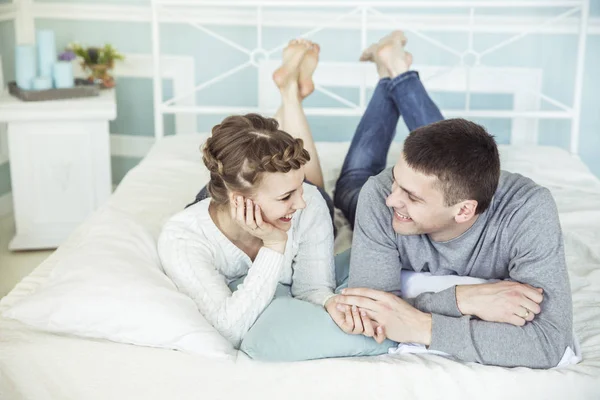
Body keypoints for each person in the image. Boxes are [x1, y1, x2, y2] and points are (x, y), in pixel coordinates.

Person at [332, 31, 574, 368]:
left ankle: (393, 68)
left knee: (446, 167)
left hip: (460, 191)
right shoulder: (381, 193)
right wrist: (463, 299)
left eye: (411, 196)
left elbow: (548, 342)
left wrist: (421, 324)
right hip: (365, 193)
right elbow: (374, 311)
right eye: (397, 183)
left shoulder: (529, 212)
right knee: (350, 190)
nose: (392, 200)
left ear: (464, 211)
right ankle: (395, 69)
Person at [158, 39, 355, 347]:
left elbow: (313, 288)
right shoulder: (183, 238)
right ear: (241, 201)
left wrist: (330, 302)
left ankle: (289, 96)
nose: (301, 202)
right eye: (287, 197)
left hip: (244, 194)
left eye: (297, 190)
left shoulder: (308, 202)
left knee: (315, 190)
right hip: (220, 203)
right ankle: (290, 95)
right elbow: (230, 329)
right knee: (261, 176)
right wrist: (274, 245)